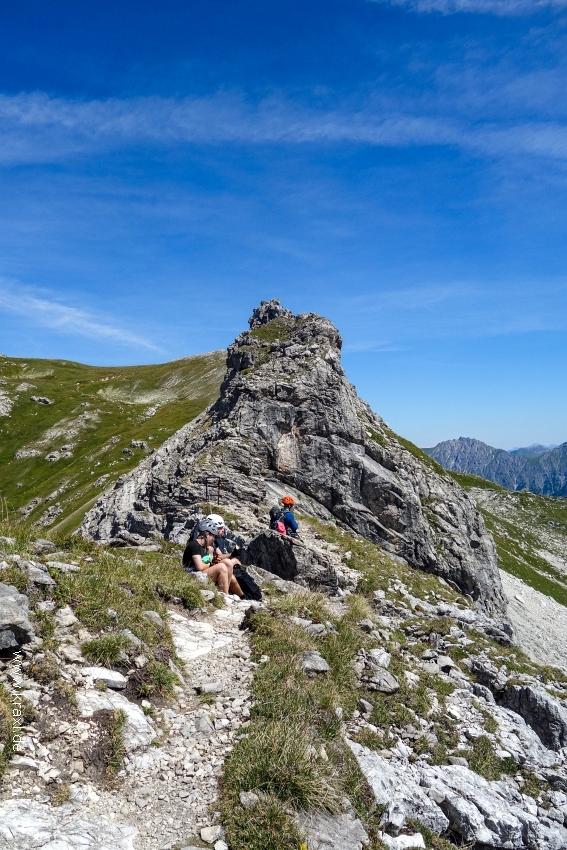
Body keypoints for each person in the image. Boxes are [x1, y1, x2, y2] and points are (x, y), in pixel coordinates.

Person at [182, 519, 244, 597]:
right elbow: (200, 567)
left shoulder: (203, 546)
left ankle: (226, 593)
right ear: (207, 535)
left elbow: (205, 562)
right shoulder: (194, 545)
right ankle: (224, 596)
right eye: (213, 536)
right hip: (192, 576)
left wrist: (213, 562)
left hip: (200, 574)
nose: (214, 539)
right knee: (221, 567)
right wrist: (210, 554)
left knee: (227, 562)